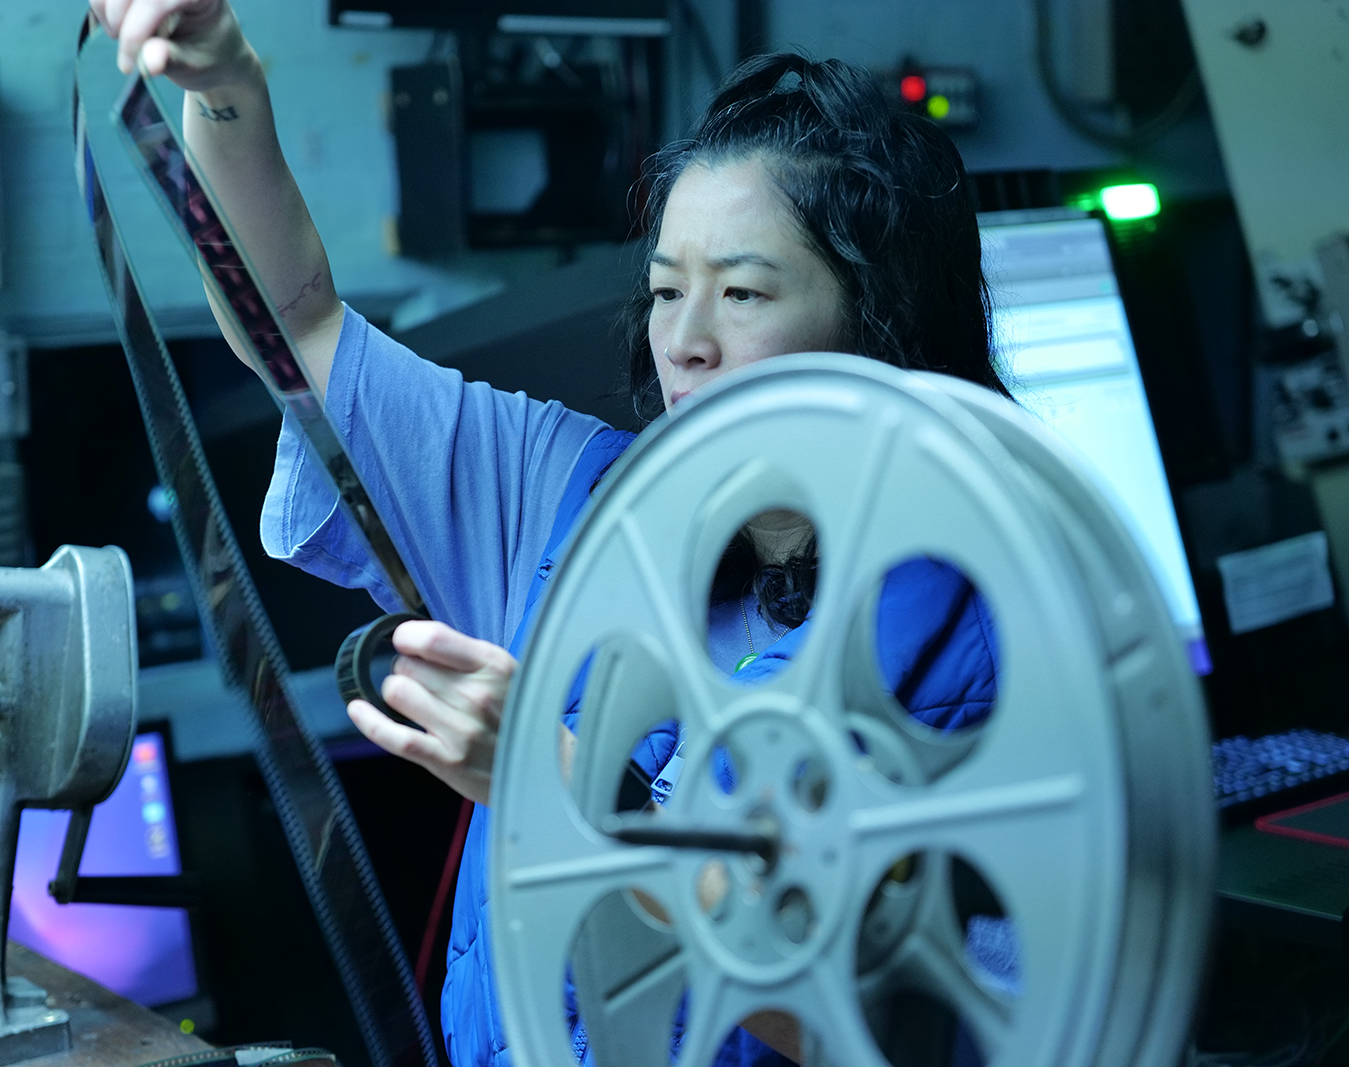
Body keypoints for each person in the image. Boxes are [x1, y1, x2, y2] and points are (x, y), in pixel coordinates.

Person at [91, 3, 1005, 1065]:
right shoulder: (562, 495)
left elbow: (910, 1030)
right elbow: (295, 323)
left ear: (879, 321)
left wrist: (573, 788)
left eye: (744, 292)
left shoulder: (1000, 633)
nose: (685, 341)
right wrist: (223, 86)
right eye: (666, 290)